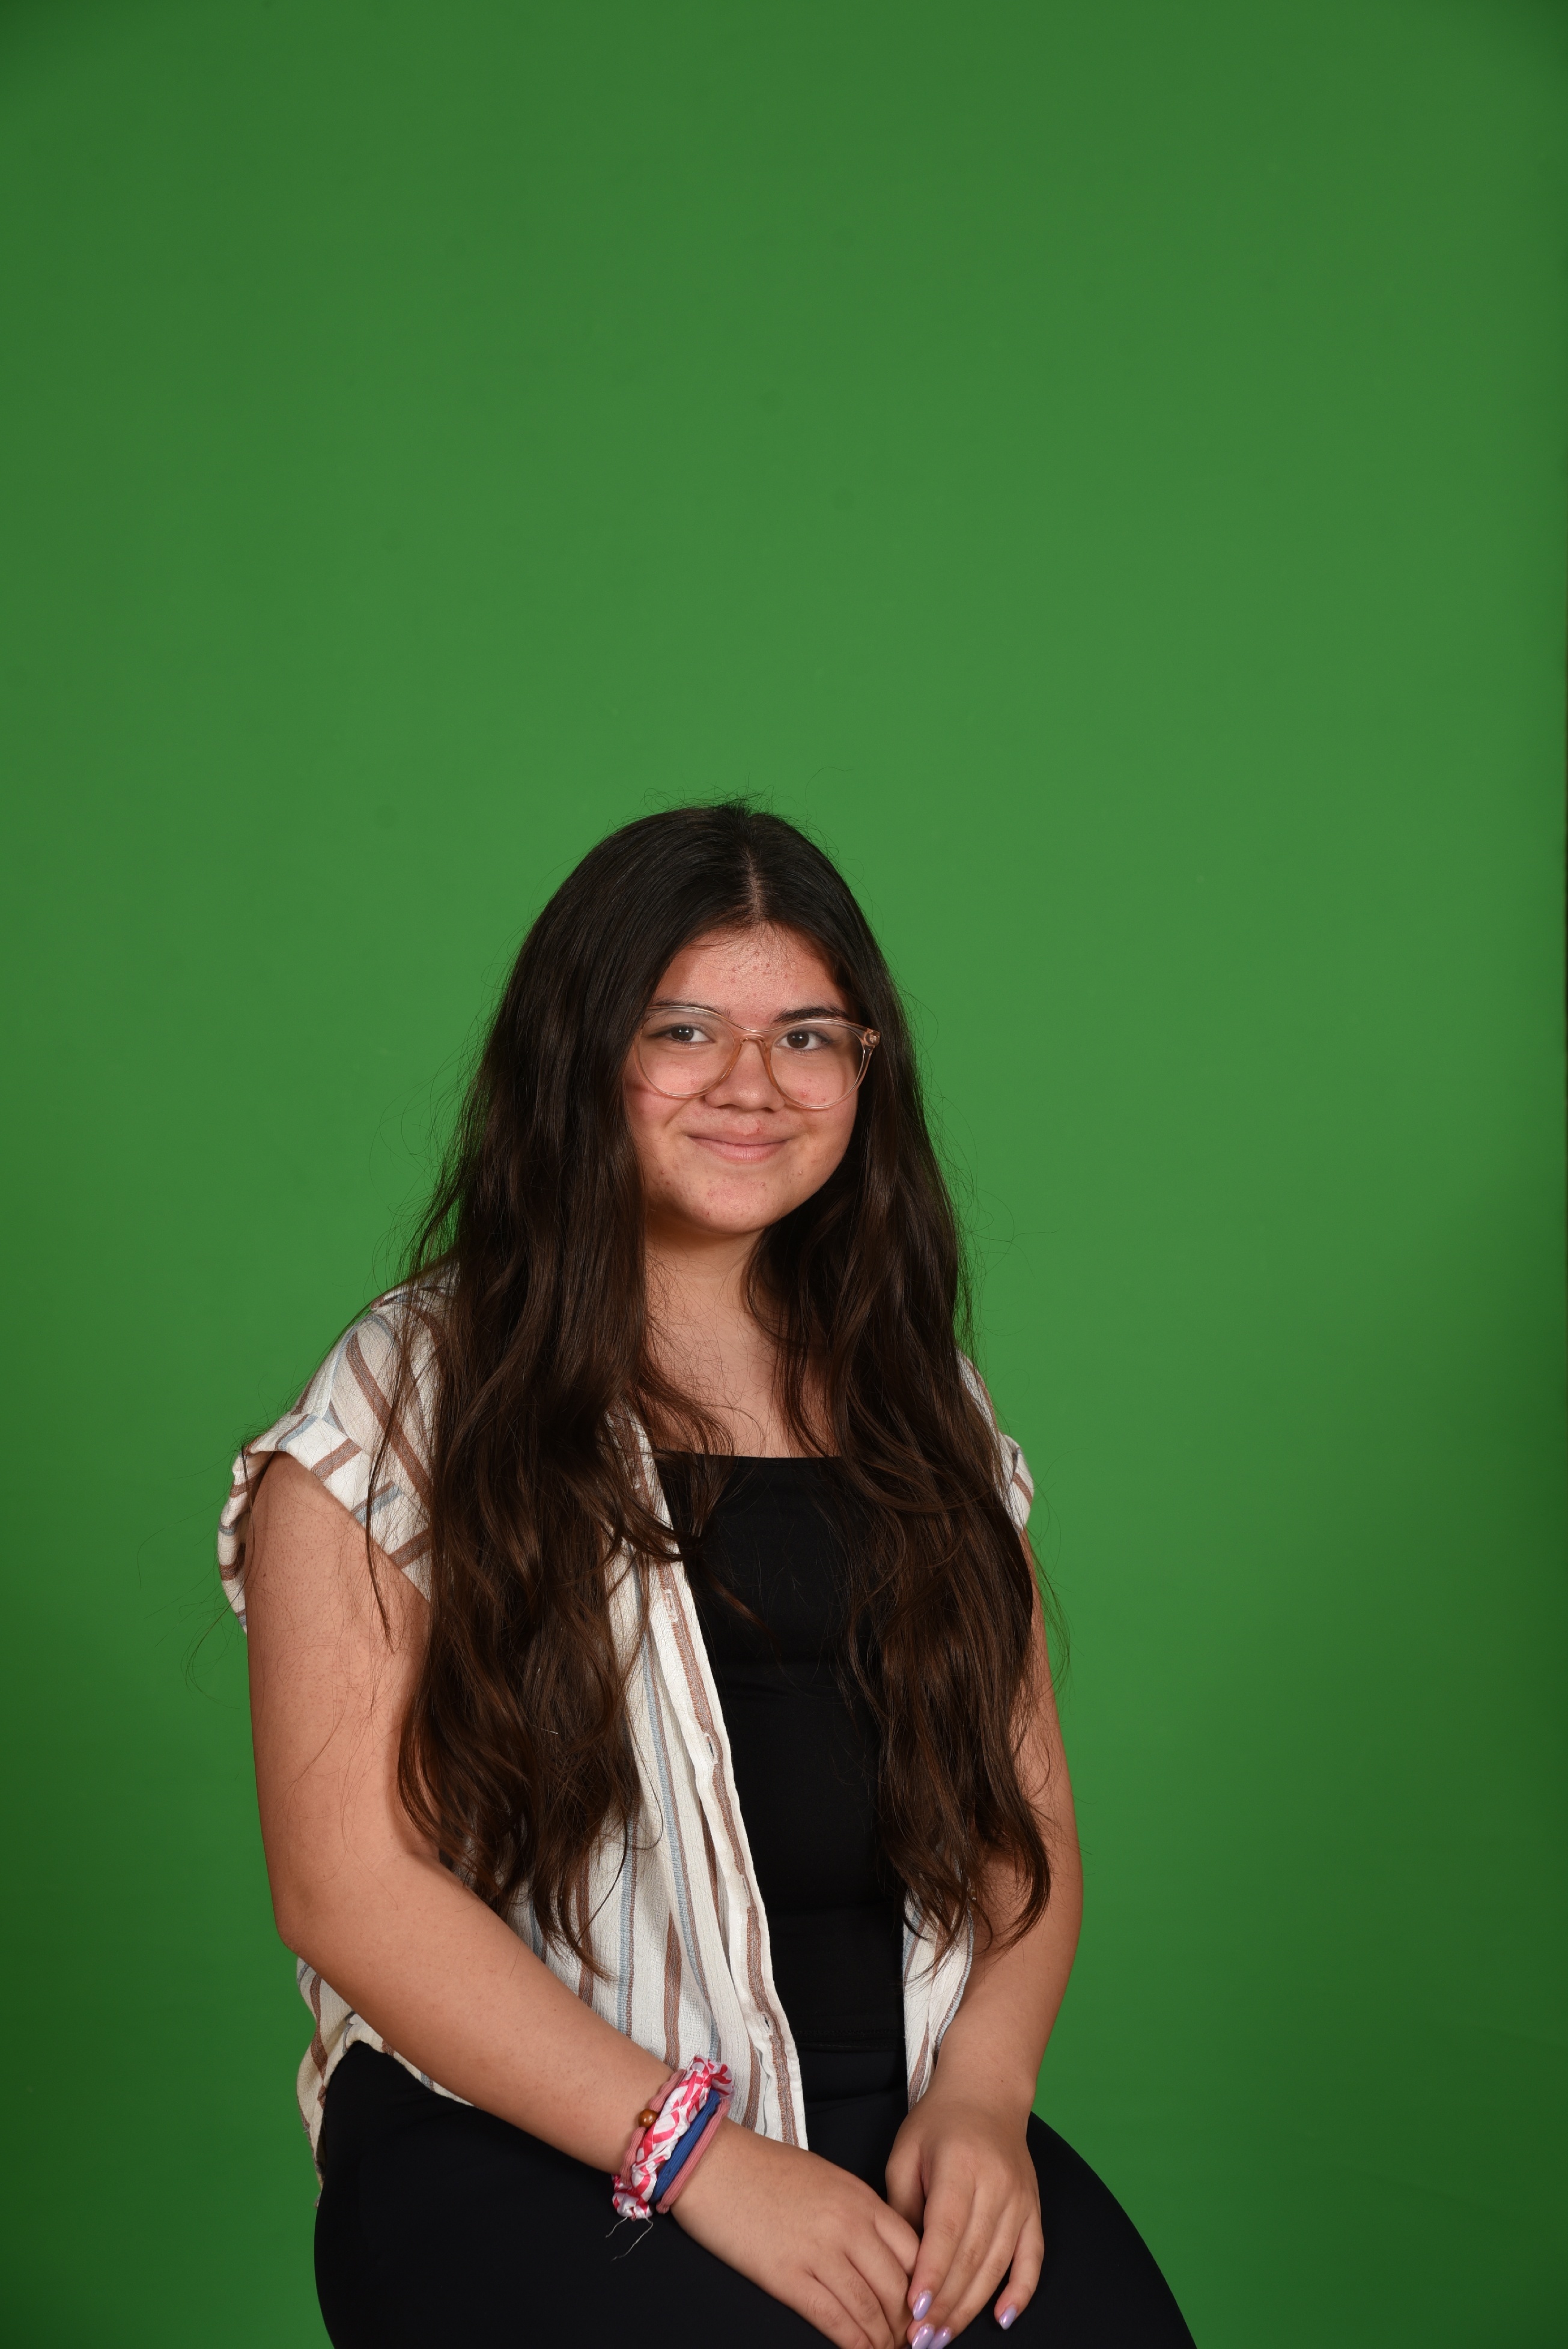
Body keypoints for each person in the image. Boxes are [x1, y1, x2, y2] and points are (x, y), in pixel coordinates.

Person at [220, 804, 1194, 2348]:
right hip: (520, 2124)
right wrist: (703, 2157)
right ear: (577, 1055)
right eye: (683, 1029)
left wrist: (987, 2096)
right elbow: (345, 1886)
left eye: (808, 1034)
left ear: (865, 1070)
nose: (753, 1081)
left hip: (894, 2109)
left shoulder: (923, 1397)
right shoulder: (403, 1396)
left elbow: (1030, 1820)